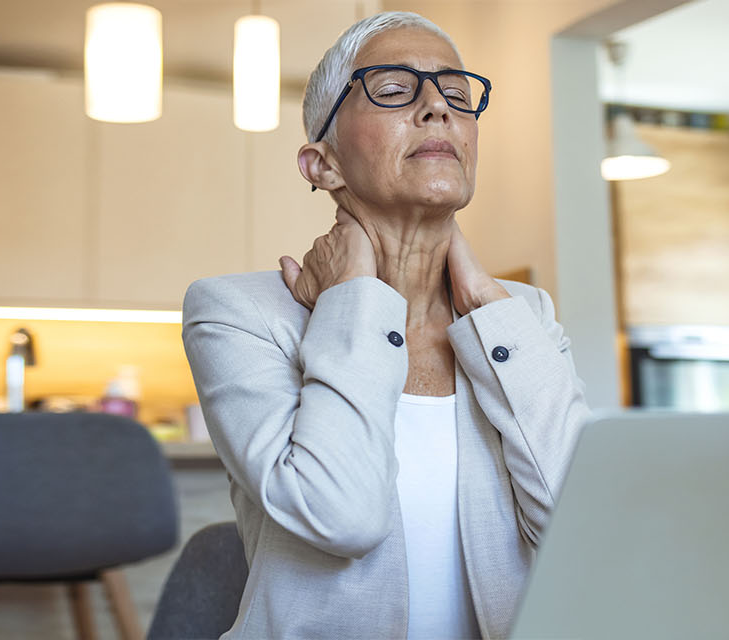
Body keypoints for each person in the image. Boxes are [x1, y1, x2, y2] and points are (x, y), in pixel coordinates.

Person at [181, 11, 590, 639]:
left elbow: (581, 530)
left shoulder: (522, 317)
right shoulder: (238, 314)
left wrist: (483, 296)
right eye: (394, 90)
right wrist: (353, 300)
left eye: (457, 94)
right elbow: (341, 516)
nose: (438, 109)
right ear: (322, 165)